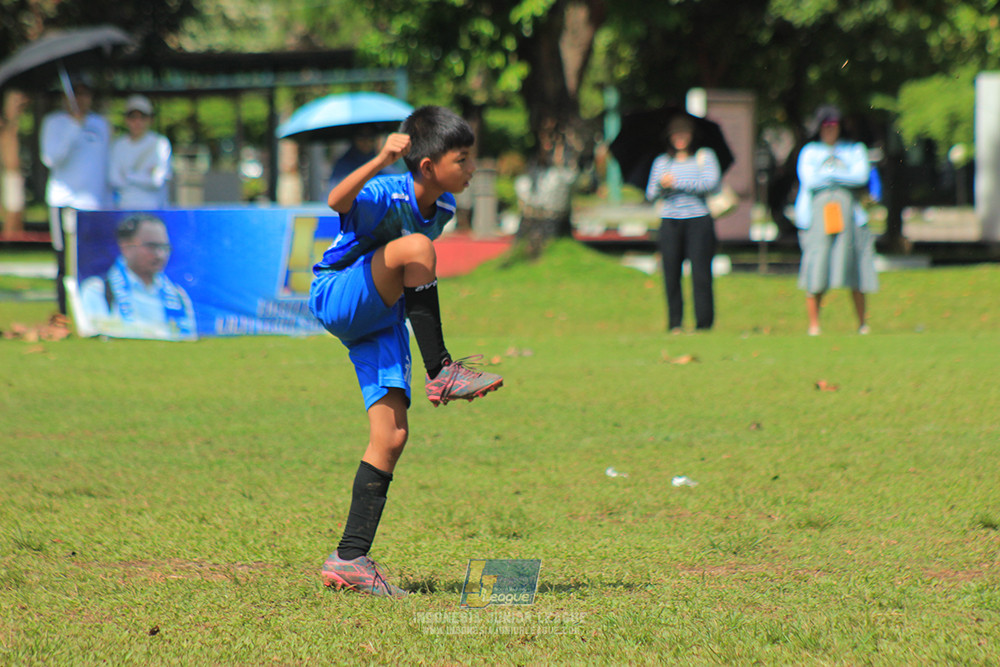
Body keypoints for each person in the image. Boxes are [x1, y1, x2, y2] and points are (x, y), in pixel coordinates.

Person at [309, 105, 503, 597]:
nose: (471, 168)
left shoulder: (443, 211)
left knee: (392, 436)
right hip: (339, 295)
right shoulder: (385, 190)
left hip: (381, 316)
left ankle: (349, 557)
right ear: (426, 166)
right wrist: (379, 160)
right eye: (462, 159)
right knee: (416, 246)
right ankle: (441, 370)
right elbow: (337, 199)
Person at [794, 105, 878, 336]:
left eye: (834, 125)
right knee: (817, 266)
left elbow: (860, 176)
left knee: (856, 266)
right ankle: (814, 325)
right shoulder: (810, 151)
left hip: (850, 216)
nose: (830, 130)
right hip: (818, 215)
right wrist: (839, 174)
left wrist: (830, 174)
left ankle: (862, 323)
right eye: (825, 125)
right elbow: (810, 180)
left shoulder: (854, 149)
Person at [40, 75, 112, 315]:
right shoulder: (54, 123)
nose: (80, 99)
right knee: (64, 261)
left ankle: (93, 312)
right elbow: (51, 158)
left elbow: (105, 164)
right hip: (64, 201)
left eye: (84, 94)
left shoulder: (100, 124)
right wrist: (73, 127)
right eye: (75, 94)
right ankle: (64, 313)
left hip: (93, 204)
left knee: (93, 259)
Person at [645, 115, 722, 333]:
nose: (680, 138)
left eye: (684, 134)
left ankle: (704, 323)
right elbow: (650, 193)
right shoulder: (662, 162)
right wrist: (663, 185)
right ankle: (675, 323)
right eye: (676, 134)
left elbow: (710, 183)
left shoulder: (704, 157)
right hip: (671, 221)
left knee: (701, 274)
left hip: (698, 220)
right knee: (670, 273)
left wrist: (678, 182)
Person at [79, 213, 196, 341]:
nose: (160, 255)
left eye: (165, 247)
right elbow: (96, 337)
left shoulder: (177, 296)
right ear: (126, 247)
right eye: (151, 246)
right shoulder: (98, 291)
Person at [109, 94, 172, 209]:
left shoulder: (160, 143)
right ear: (126, 119)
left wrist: (128, 175)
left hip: (155, 209)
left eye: (142, 117)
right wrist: (144, 176)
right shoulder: (118, 145)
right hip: (125, 208)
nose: (137, 122)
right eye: (132, 117)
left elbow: (157, 181)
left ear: (150, 119)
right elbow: (115, 179)